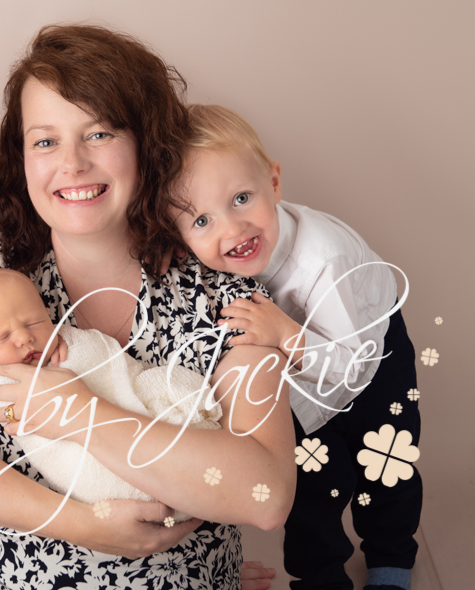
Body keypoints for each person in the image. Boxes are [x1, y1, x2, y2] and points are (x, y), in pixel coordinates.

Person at [0, 24, 297, 590]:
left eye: (99, 133)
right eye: (46, 140)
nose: (72, 164)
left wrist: (78, 413)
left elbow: (267, 493)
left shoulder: (219, 278)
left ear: (148, 143)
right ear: (22, 156)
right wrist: (79, 523)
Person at [172, 104, 422, 590]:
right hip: (300, 381)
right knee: (307, 486)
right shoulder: (209, 264)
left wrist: (286, 334)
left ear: (275, 182)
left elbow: (353, 365)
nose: (232, 229)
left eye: (242, 197)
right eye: (201, 220)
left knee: (386, 464)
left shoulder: (322, 259)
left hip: (369, 355)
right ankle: (320, 575)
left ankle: (391, 561)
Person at [0, 267, 221, 518]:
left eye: (34, 323)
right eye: (2, 338)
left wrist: (67, 341)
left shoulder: (63, 342)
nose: (24, 338)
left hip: (156, 437)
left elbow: (106, 368)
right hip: (94, 482)